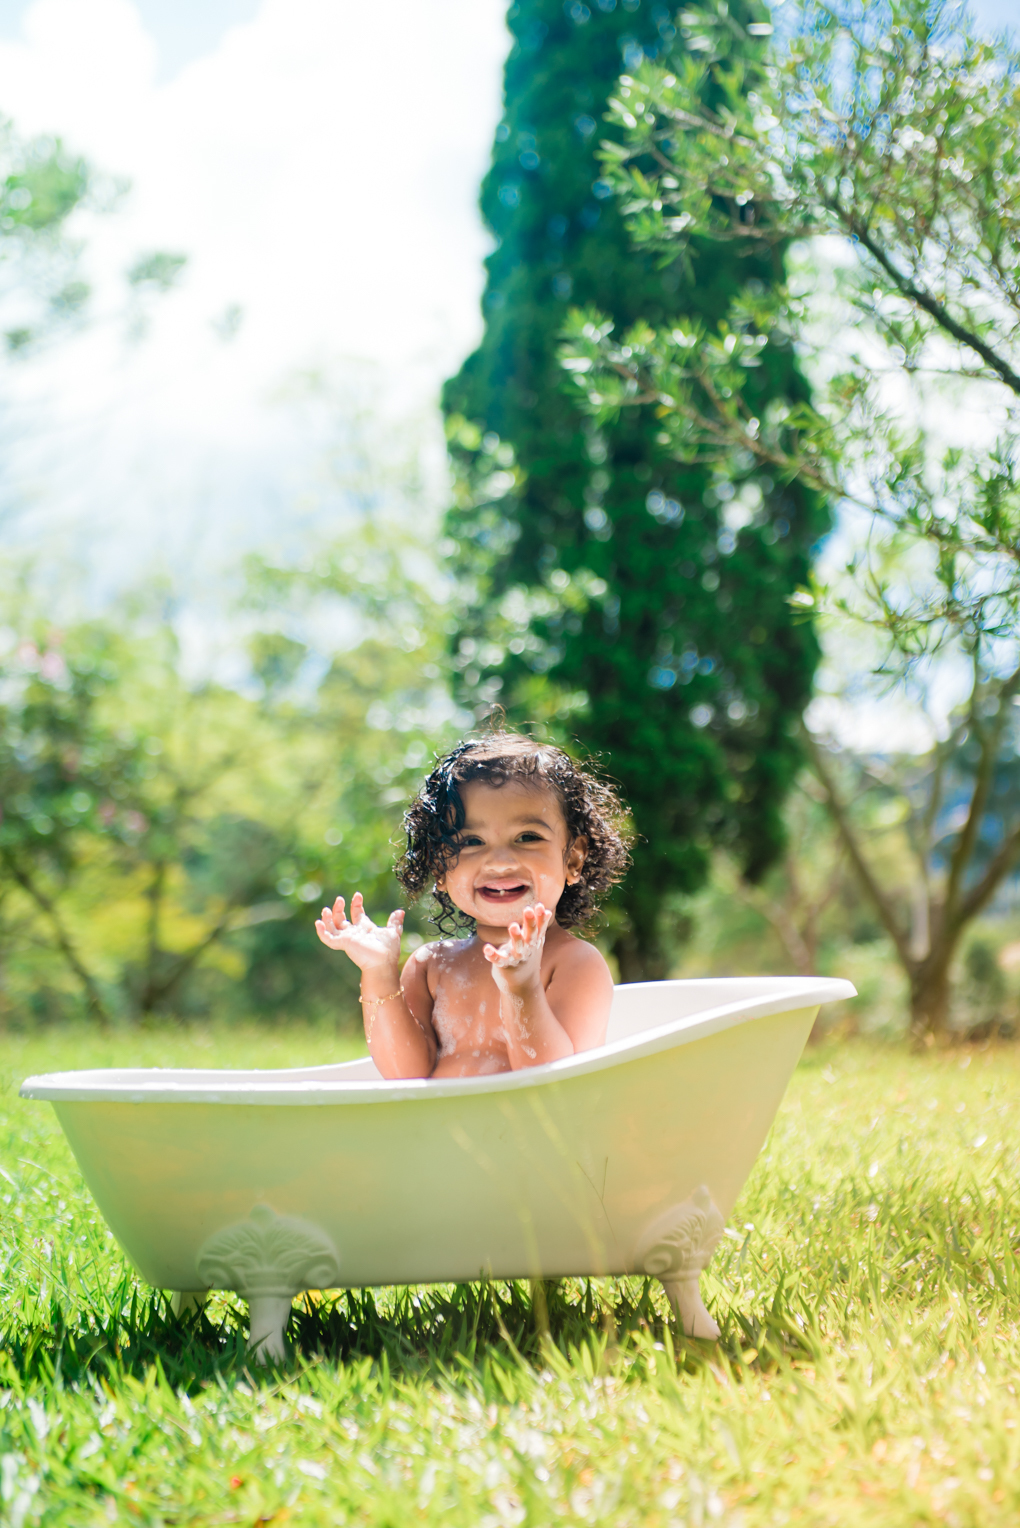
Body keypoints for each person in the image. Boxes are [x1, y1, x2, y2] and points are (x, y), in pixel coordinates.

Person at [315, 730, 630, 1078]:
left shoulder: (574, 964)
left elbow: (552, 1083)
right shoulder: (431, 966)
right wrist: (379, 974)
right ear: (439, 867)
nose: (499, 862)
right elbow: (404, 1074)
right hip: (440, 1130)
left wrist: (523, 988)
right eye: (472, 841)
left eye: (527, 837)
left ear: (573, 859)